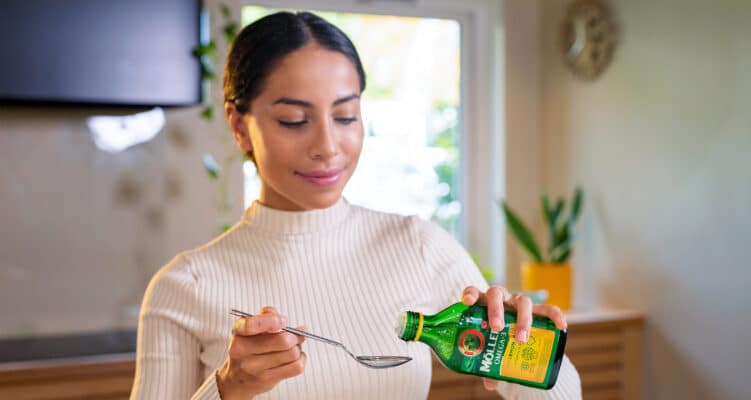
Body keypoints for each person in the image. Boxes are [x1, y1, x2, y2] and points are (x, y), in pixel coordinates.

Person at [130, 11, 581, 400]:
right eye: (294, 120)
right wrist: (228, 388)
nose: (328, 146)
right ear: (240, 127)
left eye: (345, 115)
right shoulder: (184, 287)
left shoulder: (419, 247)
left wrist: (533, 351)